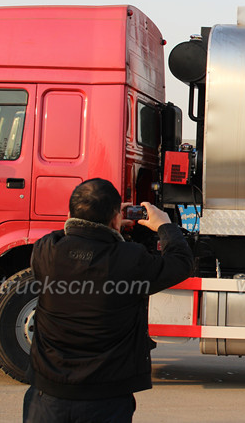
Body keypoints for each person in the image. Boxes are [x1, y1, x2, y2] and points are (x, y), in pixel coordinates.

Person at [23, 178, 194, 423]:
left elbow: (70, 236)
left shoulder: (45, 251)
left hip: (46, 395)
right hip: (106, 398)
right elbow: (180, 263)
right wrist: (164, 226)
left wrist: (104, 225)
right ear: (115, 218)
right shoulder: (131, 259)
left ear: (70, 213)